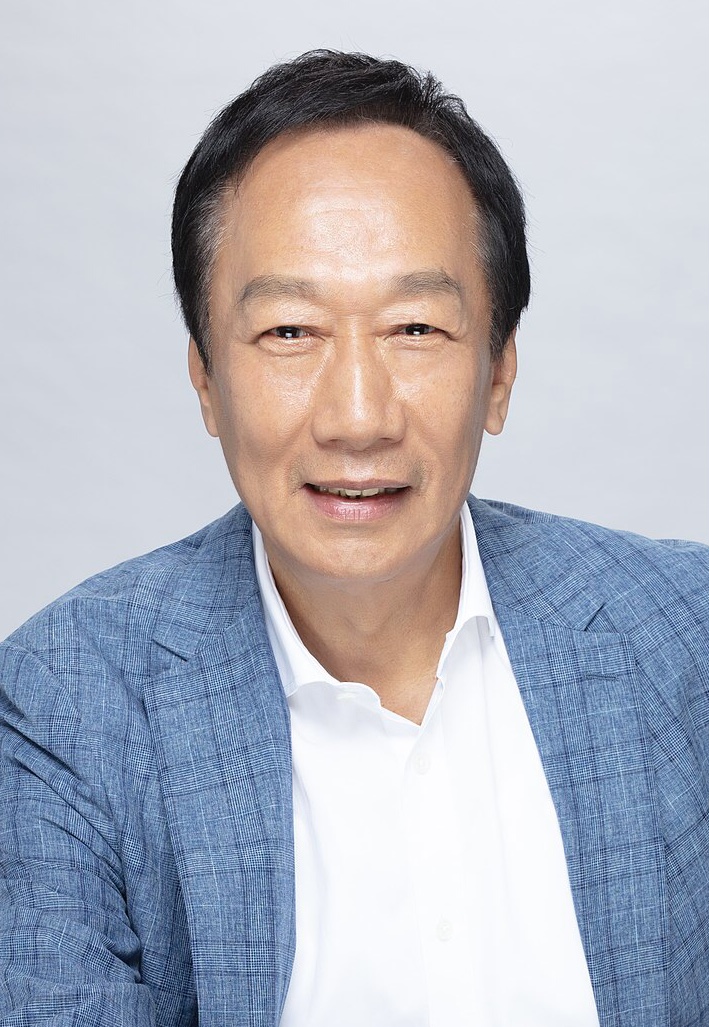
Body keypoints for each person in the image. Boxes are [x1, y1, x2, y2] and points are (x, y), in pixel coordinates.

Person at [0, 49, 707, 1027]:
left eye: (414, 328)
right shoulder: (70, 703)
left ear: (498, 372)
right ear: (205, 378)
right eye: (290, 332)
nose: (359, 415)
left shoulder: (685, 636)